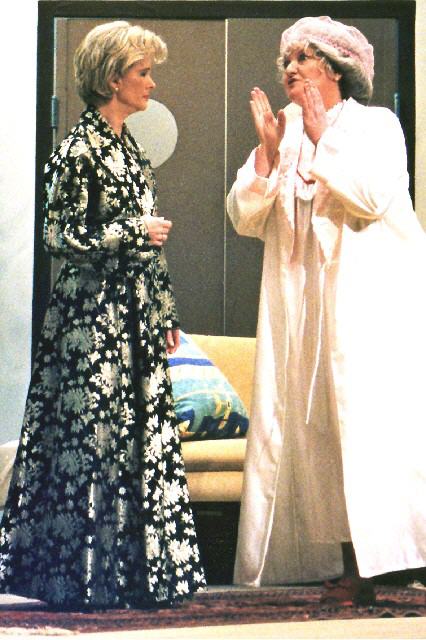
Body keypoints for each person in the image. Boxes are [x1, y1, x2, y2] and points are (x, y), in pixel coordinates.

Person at [0, 21, 205, 610]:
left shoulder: (129, 148)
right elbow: (58, 236)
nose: (151, 83)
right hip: (90, 317)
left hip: (136, 312)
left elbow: (150, 244)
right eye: (143, 72)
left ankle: (134, 577)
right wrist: (130, 231)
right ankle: (80, 579)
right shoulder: (78, 150)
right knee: (93, 438)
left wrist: (165, 309)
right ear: (113, 79)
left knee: (137, 438)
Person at [227, 16, 426, 605]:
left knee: (368, 430)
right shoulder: (285, 129)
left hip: (368, 304)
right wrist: (267, 156)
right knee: (318, 435)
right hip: (305, 300)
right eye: (286, 60)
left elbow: (370, 199)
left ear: (336, 69)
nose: (290, 69)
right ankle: (346, 565)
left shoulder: (375, 125)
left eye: (303, 58)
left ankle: (385, 564)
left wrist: (324, 138)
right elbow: (244, 217)